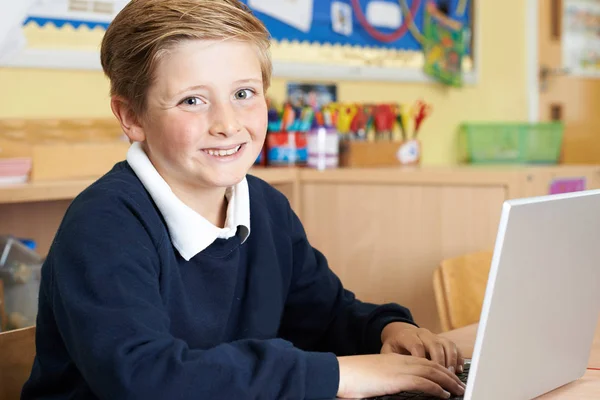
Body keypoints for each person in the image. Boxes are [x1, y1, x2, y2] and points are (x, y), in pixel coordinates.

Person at [21, 1, 466, 399]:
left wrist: (387, 328)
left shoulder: (264, 206)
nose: (228, 124)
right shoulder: (104, 226)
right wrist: (334, 377)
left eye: (244, 94)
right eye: (192, 100)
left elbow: (327, 315)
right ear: (131, 116)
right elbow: (144, 378)